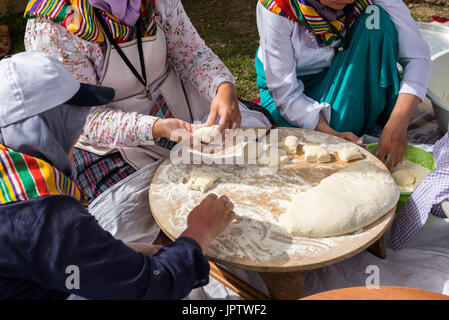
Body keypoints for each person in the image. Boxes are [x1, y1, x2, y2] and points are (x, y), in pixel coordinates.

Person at [24, 0, 271, 244]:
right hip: (115, 141)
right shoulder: (53, 26)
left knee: (261, 147)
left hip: (181, 103)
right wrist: (155, 128)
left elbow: (192, 55)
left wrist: (222, 86)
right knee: (117, 227)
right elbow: (85, 117)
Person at [0, 52, 235, 300]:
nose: (78, 137)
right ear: (49, 130)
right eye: (73, 126)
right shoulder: (44, 217)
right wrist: (199, 232)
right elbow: (152, 287)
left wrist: (115, 255)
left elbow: (49, 260)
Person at [255, 0, 433, 169]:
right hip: (286, 91)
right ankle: (365, 111)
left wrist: (397, 124)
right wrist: (331, 133)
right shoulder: (277, 7)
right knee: (337, 135)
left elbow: (418, 57)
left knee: (377, 19)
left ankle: (371, 113)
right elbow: (284, 92)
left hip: (339, 68)